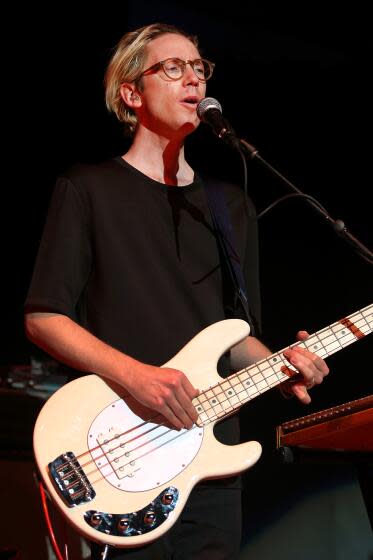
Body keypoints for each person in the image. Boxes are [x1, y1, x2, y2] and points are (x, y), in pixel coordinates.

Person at [24, 22, 329, 560]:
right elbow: (44, 317)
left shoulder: (229, 206)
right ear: (131, 93)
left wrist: (286, 363)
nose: (193, 78)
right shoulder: (87, 189)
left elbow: (238, 338)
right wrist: (136, 377)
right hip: (116, 446)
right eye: (173, 67)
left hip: (210, 464)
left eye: (199, 67)